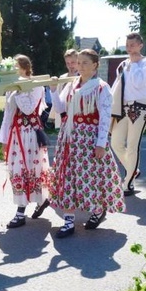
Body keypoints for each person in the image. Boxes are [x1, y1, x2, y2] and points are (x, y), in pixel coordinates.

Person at [48, 49, 125, 238]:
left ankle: (98, 210)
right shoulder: (71, 84)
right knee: (66, 177)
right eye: (78, 62)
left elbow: (105, 117)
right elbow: (60, 109)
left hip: (89, 139)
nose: (79, 66)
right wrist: (53, 91)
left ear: (95, 66)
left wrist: (101, 143)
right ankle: (68, 221)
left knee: (90, 178)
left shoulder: (101, 87)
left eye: (84, 63)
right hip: (69, 138)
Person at [0, 54, 51, 228]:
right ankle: (41, 200)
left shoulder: (36, 86)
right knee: (16, 169)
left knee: (31, 169)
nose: (12, 72)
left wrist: (20, 89)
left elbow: (28, 109)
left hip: (30, 134)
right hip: (16, 134)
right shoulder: (12, 88)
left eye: (15, 68)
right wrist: (4, 139)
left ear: (25, 68)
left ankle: (21, 211)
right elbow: (8, 115)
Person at [110, 33, 146, 195]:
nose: (129, 48)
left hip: (139, 108)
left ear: (140, 45)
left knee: (133, 145)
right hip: (122, 108)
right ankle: (132, 169)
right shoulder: (123, 64)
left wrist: (134, 65)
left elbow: (141, 83)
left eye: (133, 45)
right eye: (127, 45)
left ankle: (128, 182)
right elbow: (117, 87)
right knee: (116, 143)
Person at [49, 49, 80, 128]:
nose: (70, 65)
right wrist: (53, 116)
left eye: (73, 62)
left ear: (78, 61)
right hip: (63, 115)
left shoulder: (82, 77)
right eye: (68, 63)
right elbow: (57, 95)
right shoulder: (62, 77)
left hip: (77, 115)